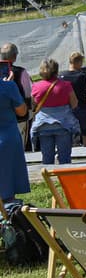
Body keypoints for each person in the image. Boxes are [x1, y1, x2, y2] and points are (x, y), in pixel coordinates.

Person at [29, 59, 79, 166]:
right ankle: (64, 180)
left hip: (43, 125)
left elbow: (33, 105)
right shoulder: (65, 85)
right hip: (63, 125)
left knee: (47, 158)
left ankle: (48, 180)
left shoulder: (36, 86)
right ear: (56, 70)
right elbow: (74, 103)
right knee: (65, 158)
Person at [0, 60, 29, 204]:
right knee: (7, 192)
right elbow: (22, 111)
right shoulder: (8, 86)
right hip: (7, 139)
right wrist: (11, 86)